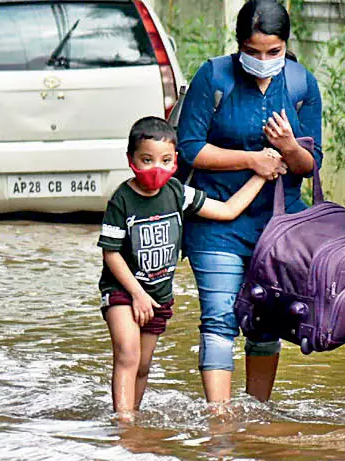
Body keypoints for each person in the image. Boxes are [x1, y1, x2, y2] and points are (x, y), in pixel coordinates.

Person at [172, 0, 322, 407]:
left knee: (264, 324)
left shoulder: (301, 83)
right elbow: (188, 149)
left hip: (276, 229)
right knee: (219, 317)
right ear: (238, 44)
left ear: (285, 46)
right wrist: (252, 159)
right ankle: (219, 421)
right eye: (252, 52)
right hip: (215, 222)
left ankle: (256, 418)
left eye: (273, 52)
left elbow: (311, 165)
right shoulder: (213, 77)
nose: (263, 59)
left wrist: (289, 147)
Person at [99, 116, 277, 420]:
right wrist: (137, 294)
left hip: (157, 297)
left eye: (165, 160)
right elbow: (111, 254)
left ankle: (134, 416)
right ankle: (124, 424)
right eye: (147, 160)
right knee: (128, 354)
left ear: (175, 161)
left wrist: (260, 174)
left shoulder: (177, 193)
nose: (156, 168)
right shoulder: (122, 200)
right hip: (124, 292)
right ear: (131, 160)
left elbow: (227, 209)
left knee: (142, 365)